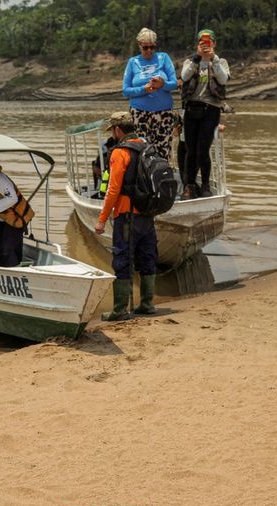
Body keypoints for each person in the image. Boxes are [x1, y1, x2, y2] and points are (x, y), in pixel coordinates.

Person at [94, 111, 159, 321]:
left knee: (122, 259)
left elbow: (113, 190)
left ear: (117, 130)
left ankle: (120, 309)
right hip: (147, 213)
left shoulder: (119, 152)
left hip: (126, 214)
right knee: (147, 256)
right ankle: (147, 304)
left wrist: (102, 219)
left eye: (112, 130)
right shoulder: (147, 146)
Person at [179, 29, 230, 199]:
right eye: (202, 43)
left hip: (211, 110)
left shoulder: (220, 61)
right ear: (198, 44)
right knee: (190, 150)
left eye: (209, 42)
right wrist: (197, 58)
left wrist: (213, 58)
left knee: (203, 150)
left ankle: (206, 184)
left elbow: (223, 79)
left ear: (214, 44)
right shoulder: (190, 61)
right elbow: (185, 77)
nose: (206, 45)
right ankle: (189, 186)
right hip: (192, 109)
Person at [122, 27, 178, 162]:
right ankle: (142, 180)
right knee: (141, 150)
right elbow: (125, 91)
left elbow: (175, 83)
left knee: (162, 151)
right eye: (145, 48)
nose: (149, 51)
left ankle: (161, 178)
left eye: (152, 47)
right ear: (139, 45)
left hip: (163, 113)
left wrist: (162, 85)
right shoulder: (133, 62)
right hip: (139, 114)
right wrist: (143, 89)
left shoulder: (163, 58)